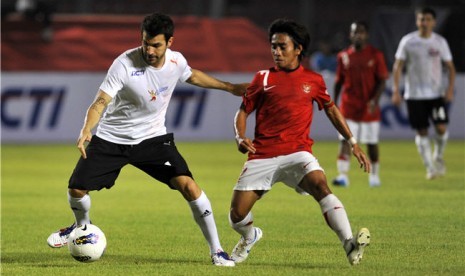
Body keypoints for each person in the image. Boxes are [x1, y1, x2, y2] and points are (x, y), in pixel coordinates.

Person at [46, 13, 247, 267]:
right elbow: (100, 101)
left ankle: (217, 251)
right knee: (76, 189)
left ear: (170, 42)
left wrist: (229, 87)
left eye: (156, 45)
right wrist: (87, 128)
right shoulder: (124, 64)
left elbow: (192, 75)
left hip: (152, 140)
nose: (149, 50)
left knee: (190, 187)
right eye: (145, 43)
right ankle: (81, 226)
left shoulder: (176, 62)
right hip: (112, 138)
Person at [228, 18, 371, 266]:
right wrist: (241, 137)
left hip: (298, 153)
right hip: (263, 155)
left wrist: (352, 142)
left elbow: (331, 109)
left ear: (298, 49)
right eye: (273, 46)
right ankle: (250, 236)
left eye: (282, 46)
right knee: (236, 215)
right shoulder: (261, 78)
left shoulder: (314, 80)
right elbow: (242, 112)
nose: (276, 51)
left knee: (321, 186)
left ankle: (349, 245)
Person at [392, 7, 456, 180]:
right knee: (422, 131)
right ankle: (430, 167)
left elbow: (450, 67)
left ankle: (438, 156)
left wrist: (450, 89)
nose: (424, 23)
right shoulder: (408, 41)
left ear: (433, 22)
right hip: (414, 95)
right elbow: (398, 65)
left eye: (428, 19)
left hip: (435, 94)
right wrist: (396, 90)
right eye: (421, 19)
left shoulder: (440, 42)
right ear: (417, 21)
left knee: (441, 128)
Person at [332, 21, 389, 187]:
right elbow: (338, 82)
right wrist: (334, 104)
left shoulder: (375, 55)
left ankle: (374, 176)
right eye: (355, 32)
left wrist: (374, 100)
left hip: (368, 107)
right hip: (348, 106)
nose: (358, 35)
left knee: (371, 143)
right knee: (345, 140)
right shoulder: (343, 56)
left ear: (367, 35)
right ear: (350, 35)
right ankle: (342, 175)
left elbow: (382, 80)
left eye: (362, 32)